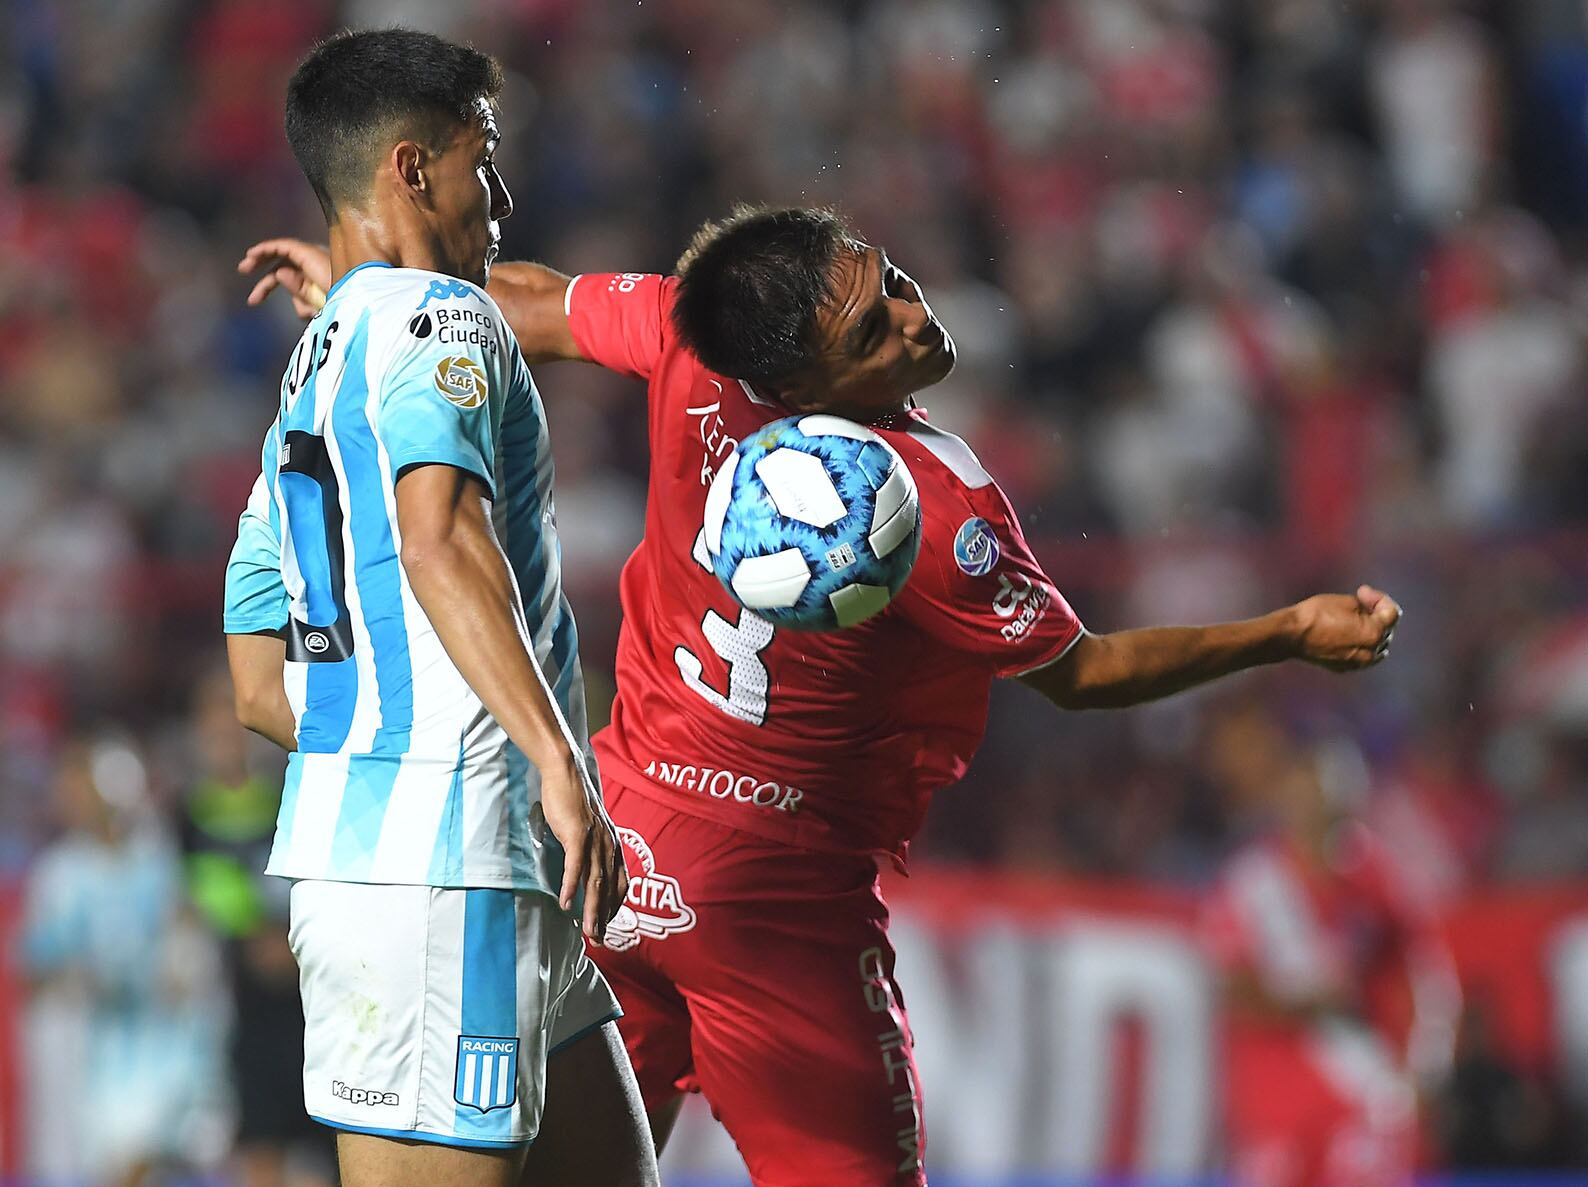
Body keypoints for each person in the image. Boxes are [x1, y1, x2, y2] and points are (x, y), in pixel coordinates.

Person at [241, 204, 1401, 1187]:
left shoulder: (695, 343)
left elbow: (529, 303)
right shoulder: (934, 507)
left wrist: (371, 293)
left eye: (890, 281)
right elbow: (1086, 676)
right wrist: (1286, 630)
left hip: (611, 858)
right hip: (772, 907)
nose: (912, 316)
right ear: (798, 381)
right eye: (871, 326)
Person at [222, 28, 657, 1187]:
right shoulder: (434, 319)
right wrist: (556, 760)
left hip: (435, 859)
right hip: (449, 862)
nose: (503, 193)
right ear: (413, 169)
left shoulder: (311, 373)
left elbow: (260, 686)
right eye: (486, 156)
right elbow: (438, 538)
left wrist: (387, 745)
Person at [1201, 700, 1460, 1187]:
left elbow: (1425, 971)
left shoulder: (1376, 874)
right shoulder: (1253, 885)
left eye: (1336, 782)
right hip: (1276, 1107)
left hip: (1358, 1104)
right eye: (1311, 781)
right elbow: (1228, 988)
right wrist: (1310, 1002)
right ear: (1286, 792)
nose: (1323, 797)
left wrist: (1427, 1065)